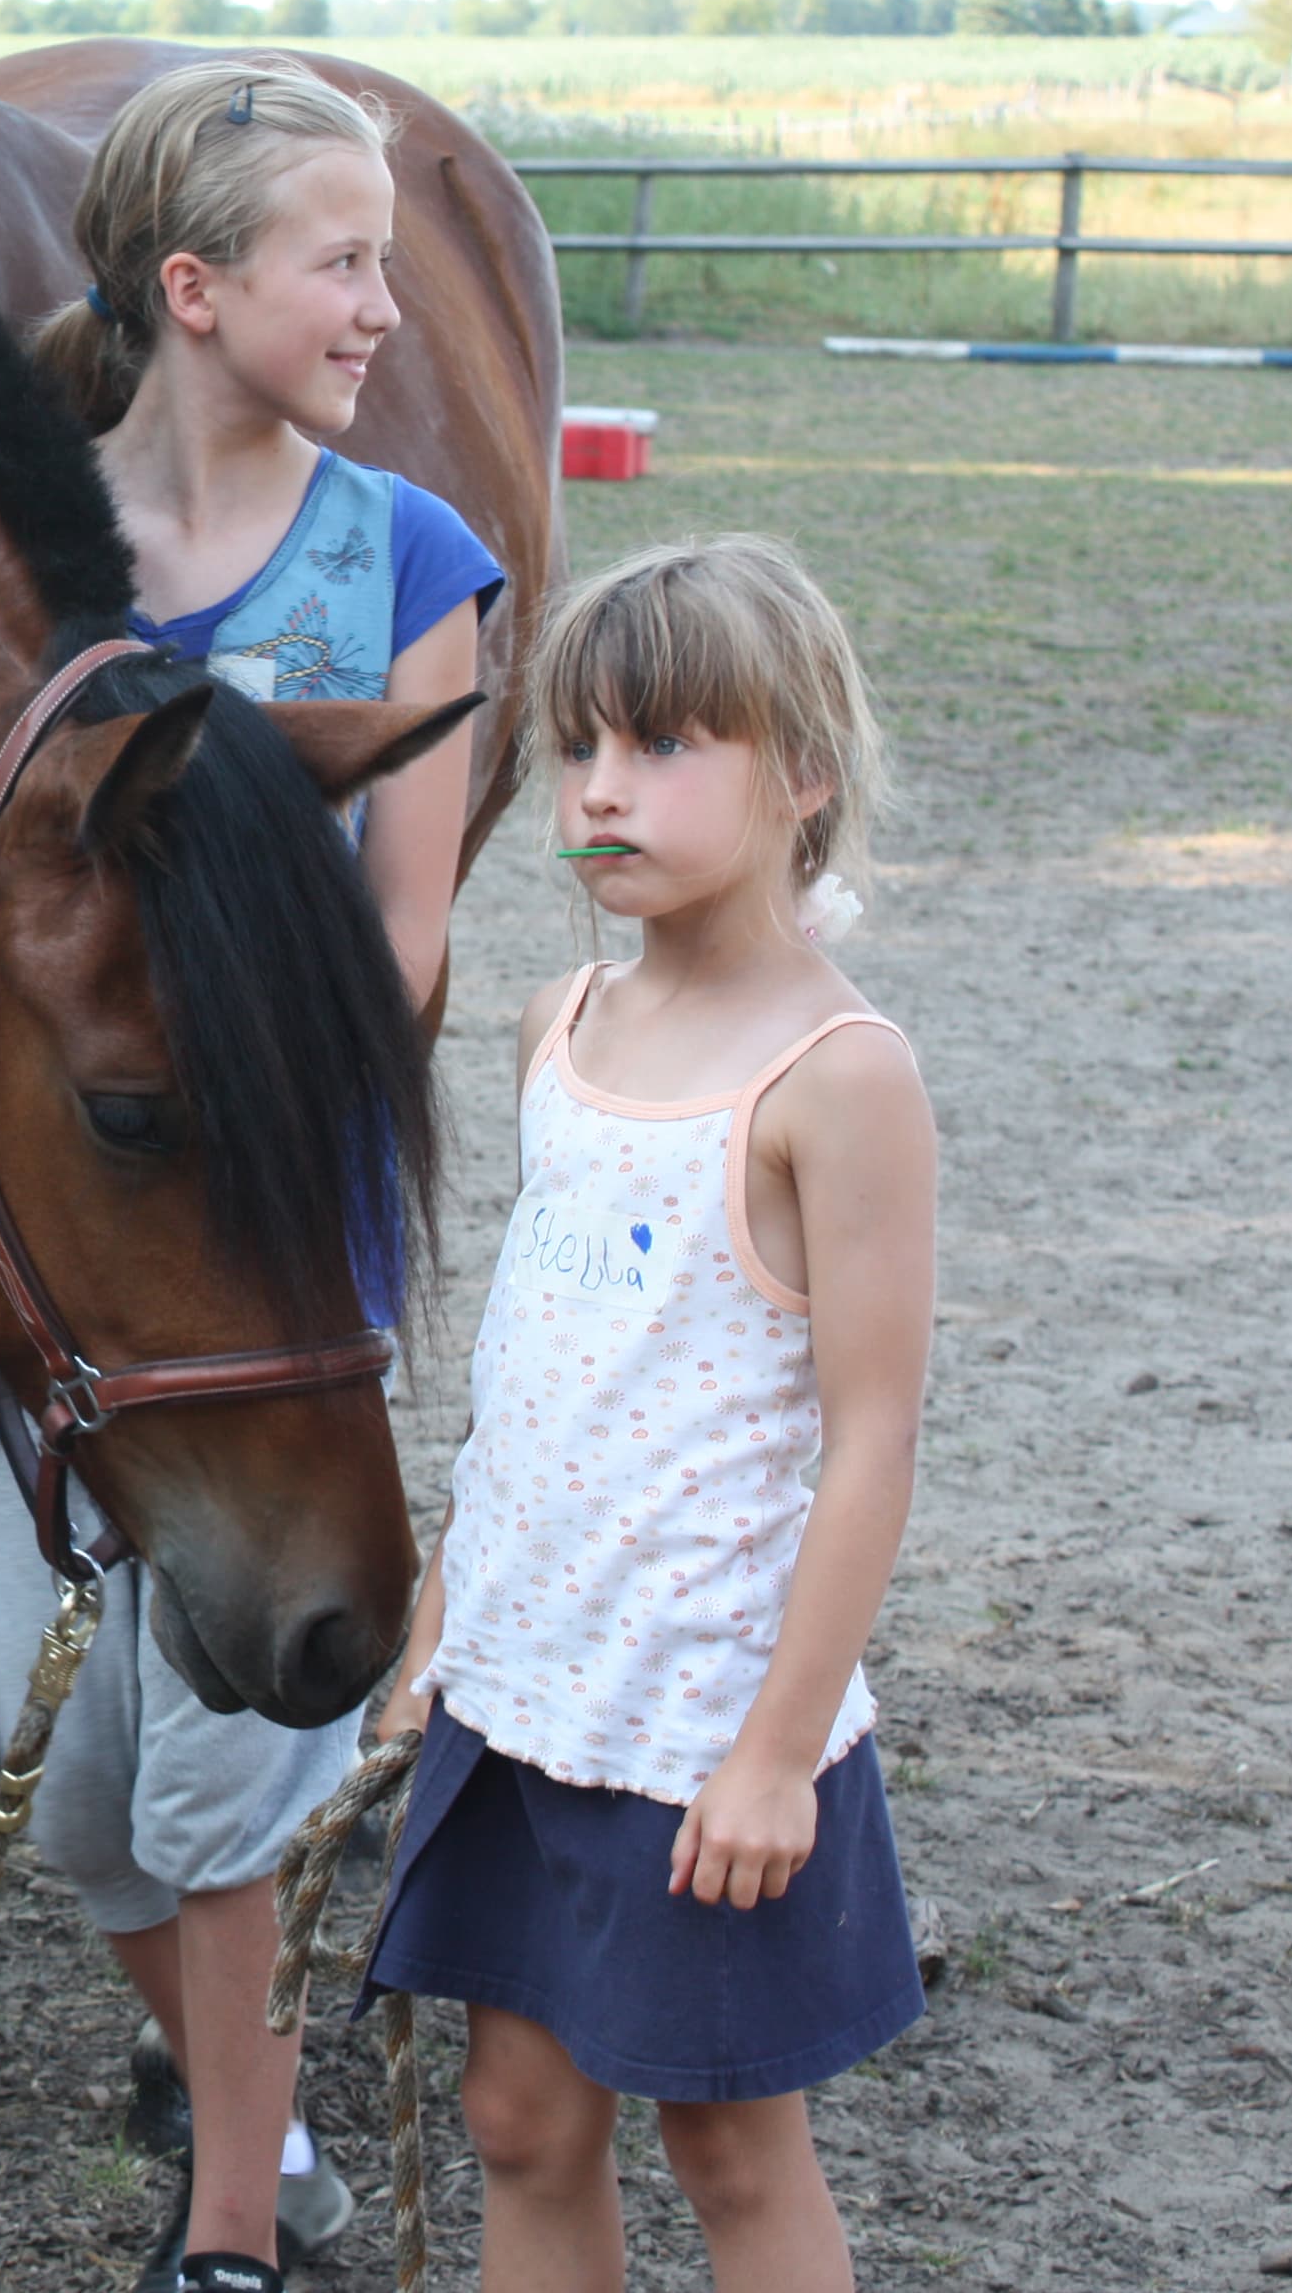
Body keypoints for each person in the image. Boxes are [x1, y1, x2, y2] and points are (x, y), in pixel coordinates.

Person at [0, 56, 500, 2292]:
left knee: (223, 1792)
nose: (389, 308)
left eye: (388, 255)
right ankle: (257, 2136)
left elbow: (397, 956)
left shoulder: (411, 563)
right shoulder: (1, 556)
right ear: (194, 289)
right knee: (72, 1784)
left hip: (260, 1250)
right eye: (346, 259)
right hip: (50, 1250)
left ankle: (223, 2242)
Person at [366, 535, 932, 2293]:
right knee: (517, 2123)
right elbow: (532, 1374)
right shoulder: (559, 1023)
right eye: (583, 749)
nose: (604, 793)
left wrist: (773, 1751)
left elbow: (874, 1438)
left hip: (700, 1725)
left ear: (807, 773)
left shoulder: (839, 1079)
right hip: (525, 1689)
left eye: (666, 748)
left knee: (733, 2159)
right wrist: (443, 1625)